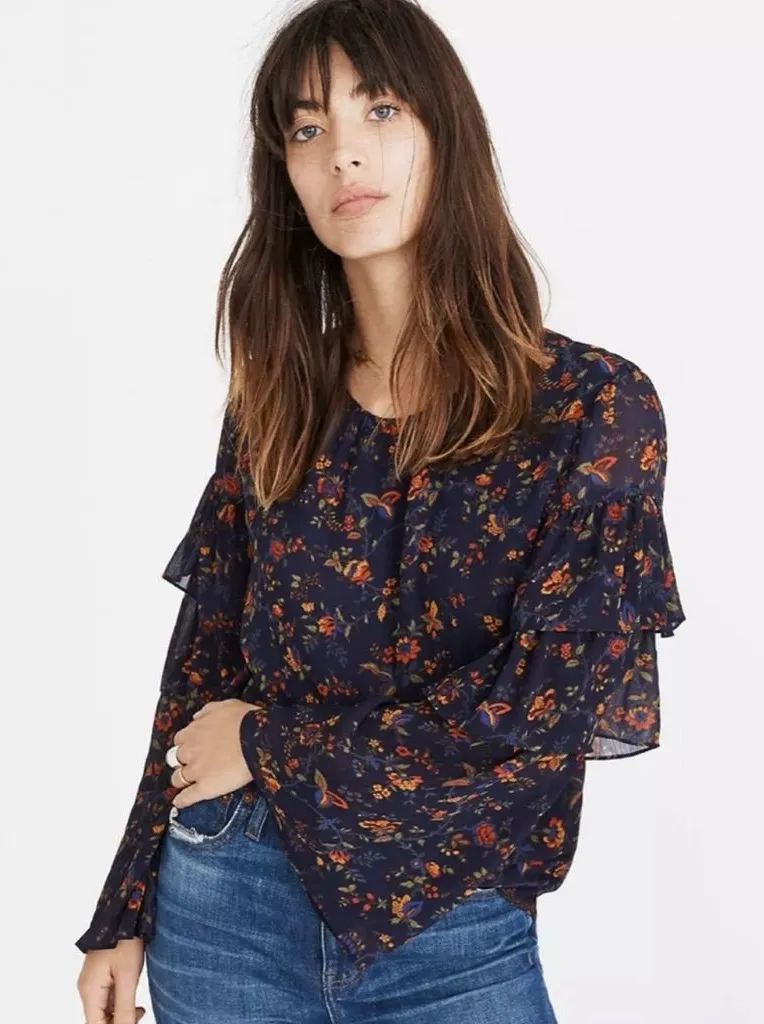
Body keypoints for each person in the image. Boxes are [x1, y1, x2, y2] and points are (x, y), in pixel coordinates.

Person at [75, 1, 687, 1022]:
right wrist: (123, 908)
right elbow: (202, 667)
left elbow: (542, 704)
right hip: (226, 902)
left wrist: (271, 744)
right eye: (307, 128)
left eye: (381, 110)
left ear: (446, 132)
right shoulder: (276, 403)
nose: (343, 154)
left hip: (454, 925)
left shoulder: (591, 407)